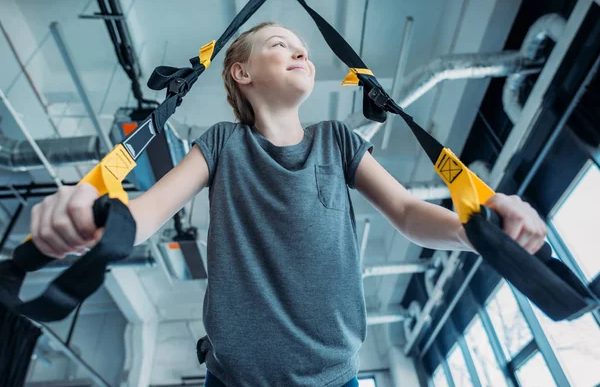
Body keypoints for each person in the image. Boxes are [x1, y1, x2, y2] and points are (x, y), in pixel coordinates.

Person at [29, 22, 547, 387]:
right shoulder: (221, 142)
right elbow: (147, 213)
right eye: (282, 45)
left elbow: (408, 214)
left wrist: (475, 228)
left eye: (304, 49)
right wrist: (96, 220)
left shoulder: (337, 139)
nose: (302, 54)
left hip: (336, 377)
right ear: (241, 73)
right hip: (234, 378)